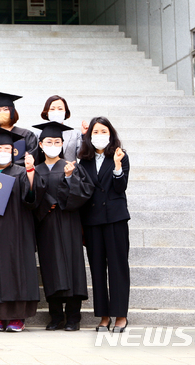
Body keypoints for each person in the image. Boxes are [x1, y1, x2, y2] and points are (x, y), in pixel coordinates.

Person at [32, 121, 95, 332]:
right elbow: (28, 197)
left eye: (57, 141)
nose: (53, 144)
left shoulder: (71, 167)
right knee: (51, 268)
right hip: (46, 225)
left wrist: (69, 178)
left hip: (69, 223)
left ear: (62, 144)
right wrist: (45, 203)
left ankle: (73, 318)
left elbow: (84, 194)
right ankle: (56, 316)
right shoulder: (35, 170)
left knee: (72, 268)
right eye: (48, 141)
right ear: (41, 144)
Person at [0, 128, 39, 332]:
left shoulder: (21, 172)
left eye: (7, 148)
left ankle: (17, 317)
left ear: (14, 152)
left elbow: (31, 199)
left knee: (15, 270)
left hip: (16, 232)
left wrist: (30, 173)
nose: (2, 151)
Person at [79, 117, 130, 334]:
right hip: (92, 220)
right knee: (97, 268)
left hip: (115, 219)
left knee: (118, 267)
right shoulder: (85, 161)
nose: (99, 135)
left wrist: (118, 165)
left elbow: (120, 187)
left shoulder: (120, 156)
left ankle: (121, 316)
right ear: (90, 136)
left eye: (103, 131)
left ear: (110, 133)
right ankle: (104, 316)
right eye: (95, 132)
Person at [34, 95, 81, 162]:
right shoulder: (37, 135)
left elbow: (81, 155)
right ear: (47, 112)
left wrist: (86, 136)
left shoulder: (75, 134)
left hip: (71, 170)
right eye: (52, 109)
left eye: (60, 109)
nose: (56, 112)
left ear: (65, 112)